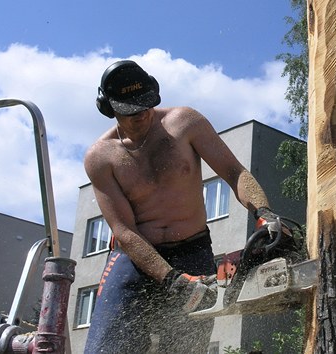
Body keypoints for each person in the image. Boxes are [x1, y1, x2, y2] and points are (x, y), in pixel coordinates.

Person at [83, 60, 278, 353]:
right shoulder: (101, 157)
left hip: (192, 251)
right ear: (108, 107)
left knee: (185, 346)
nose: (141, 115)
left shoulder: (185, 122)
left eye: (145, 106)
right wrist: (172, 279)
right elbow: (123, 230)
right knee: (107, 347)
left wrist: (263, 213)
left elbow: (235, 172)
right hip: (134, 260)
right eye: (130, 112)